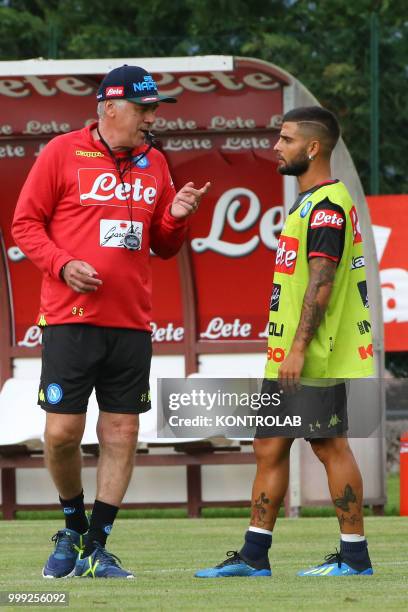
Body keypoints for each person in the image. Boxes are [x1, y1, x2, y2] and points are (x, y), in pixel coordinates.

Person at [12, 64, 210, 579]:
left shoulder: (157, 164)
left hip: (132, 323)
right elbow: (24, 224)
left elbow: (164, 246)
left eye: (153, 110)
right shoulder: (60, 152)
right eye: (143, 109)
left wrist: (178, 214)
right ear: (109, 108)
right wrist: (62, 264)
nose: (150, 118)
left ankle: (98, 546)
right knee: (61, 433)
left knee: (122, 431)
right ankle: (73, 525)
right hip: (69, 319)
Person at [195, 106, 374, 578]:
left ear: (312, 148)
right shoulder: (307, 202)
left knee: (328, 446)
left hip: (311, 354)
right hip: (290, 354)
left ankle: (354, 557)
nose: (277, 145)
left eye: (286, 138)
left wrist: (297, 349)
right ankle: (255, 557)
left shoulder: (327, 207)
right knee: (269, 447)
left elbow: (322, 281)